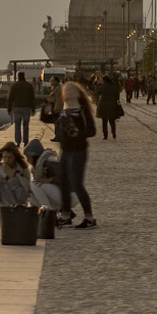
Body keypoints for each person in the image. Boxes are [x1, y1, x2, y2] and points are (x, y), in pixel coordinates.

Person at [55, 81, 97, 228]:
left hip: (78, 150)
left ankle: (89, 218)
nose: (68, 91)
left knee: (77, 184)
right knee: (63, 182)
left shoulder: (83, 111)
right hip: (65, 150)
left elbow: (92, 131)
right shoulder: (63, 111)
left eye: (71, 89)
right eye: (66, 90)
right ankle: (65, 215)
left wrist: (78, 134)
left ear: (79, 93)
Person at [7, 71, 36, 146]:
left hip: (17, 108)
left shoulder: (14, 86)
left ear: (18, 77)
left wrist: (9, 109)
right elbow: (32, 98)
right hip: (26, 107)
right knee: (26, 126)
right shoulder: (29, 86)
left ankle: (18, 142)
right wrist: (33, 109)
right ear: (24, 76)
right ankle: (25, 141)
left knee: (17, 125)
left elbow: (10, 98)